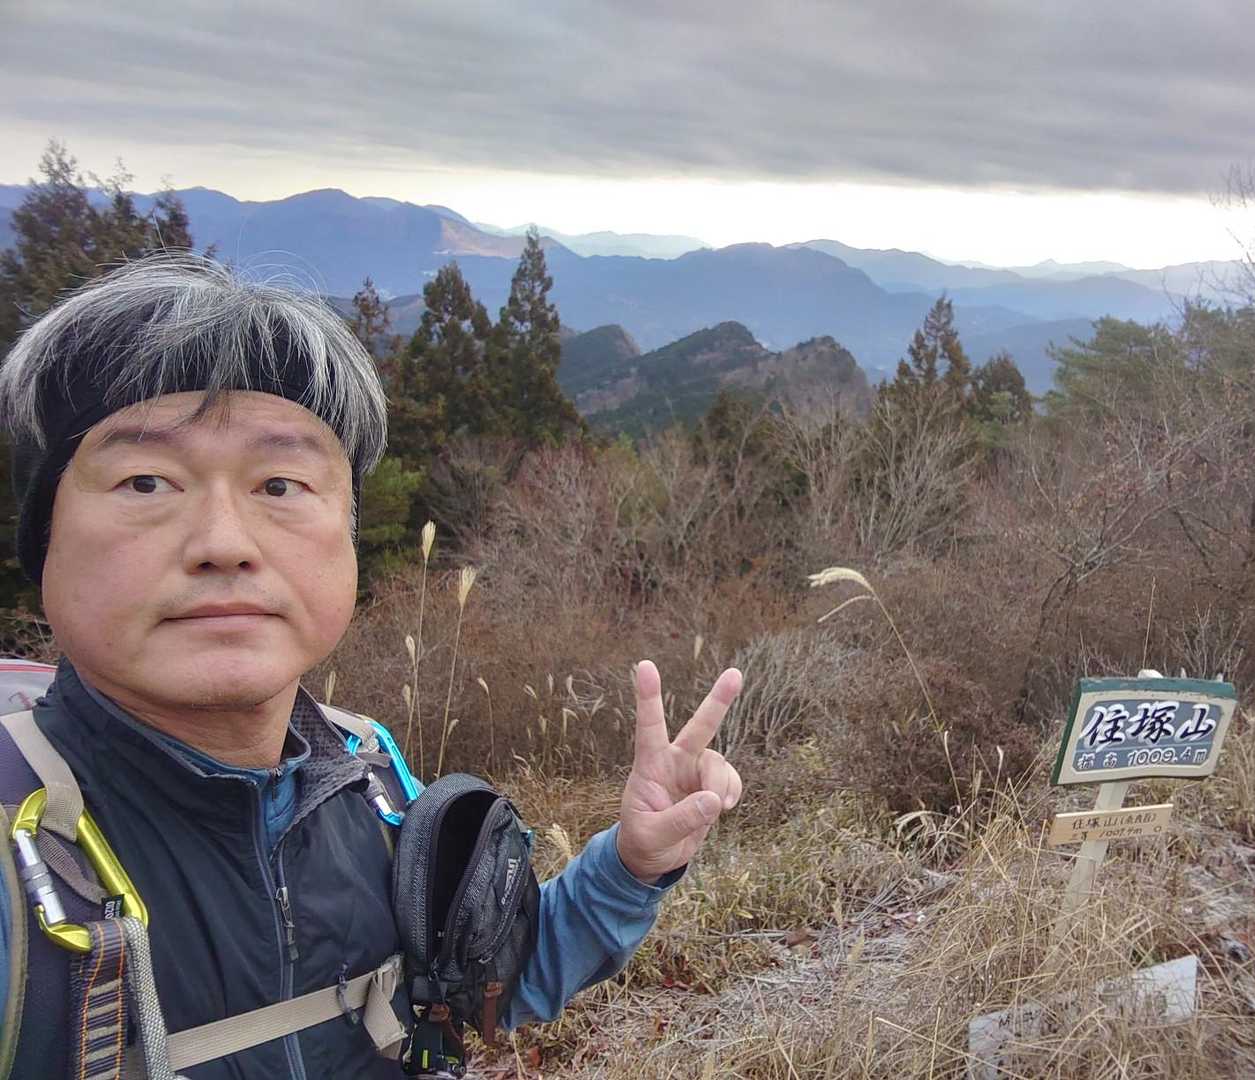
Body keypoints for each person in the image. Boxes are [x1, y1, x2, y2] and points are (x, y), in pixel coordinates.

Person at [0, 254, 743, 1078]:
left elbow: (487, 986)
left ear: (348, 543)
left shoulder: (369, 777)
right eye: (146, 482)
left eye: (280, 485)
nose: (223, 542)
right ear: (43, 540)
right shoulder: (16, 853)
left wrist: (633, 864)